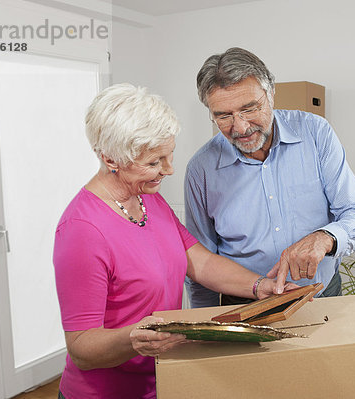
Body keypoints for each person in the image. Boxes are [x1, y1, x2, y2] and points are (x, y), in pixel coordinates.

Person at [53, 83, 295, 399]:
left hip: (163, 382)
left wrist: (260, 286)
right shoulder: (82, 230)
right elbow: (82, 348)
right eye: (154, 162)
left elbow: (200, 260)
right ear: (110, 158)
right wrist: (133, 339)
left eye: (169, 156)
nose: (168, 170)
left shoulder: (147, 199)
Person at [184, 47, 355, 308]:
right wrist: (204, 327)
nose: (240, 127)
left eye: (250, 109)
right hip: (243, 306)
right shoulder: (201, 169)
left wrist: (324, 238)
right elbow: (199, 261)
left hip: (321, 297)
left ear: (271, 94)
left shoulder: (315, 133)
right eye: (224, 116)